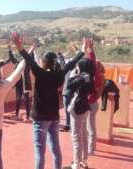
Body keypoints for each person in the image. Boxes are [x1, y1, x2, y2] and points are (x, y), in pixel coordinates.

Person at [11, 32, 85, 169]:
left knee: (40, 151)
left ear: (44, 62)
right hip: (54, 117)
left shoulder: (40, 73)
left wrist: (19, 46)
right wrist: (82, 50)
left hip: (40, 118)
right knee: (55, 148)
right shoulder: (59, 74)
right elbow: (72, 63)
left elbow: (29, 60)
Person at [67, 48, 95, 169]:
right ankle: (84, 161)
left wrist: (75, 72)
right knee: (83, 134)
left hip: (77, 106)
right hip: (84, 106)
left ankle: (76, 164)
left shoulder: (82, 77)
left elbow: (69, 84)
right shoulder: (89, 77)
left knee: (76, 136)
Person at [85, 40, 106, 156]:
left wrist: (90, 50)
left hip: (90, 104)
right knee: (89, 126)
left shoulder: (96, 76)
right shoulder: (100, 77)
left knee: (90, 127)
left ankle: (91, 149)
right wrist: (90, 49)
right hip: (93, 103)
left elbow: (92, 61)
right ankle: (89, 147)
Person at [8, 44, 33, 121]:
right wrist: (9, 50)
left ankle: (28, 116)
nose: (22, 58)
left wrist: (31, 49)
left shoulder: (28, 63)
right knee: (18, 99)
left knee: (26, 99)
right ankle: (16, 114)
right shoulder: (17, 63)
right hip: (18, 83)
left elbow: (28, 56)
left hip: (25, 83)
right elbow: (11, 58)